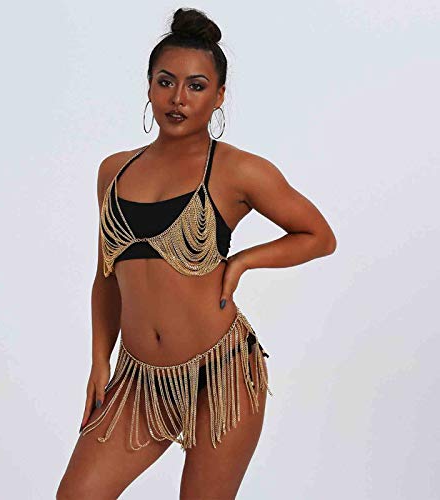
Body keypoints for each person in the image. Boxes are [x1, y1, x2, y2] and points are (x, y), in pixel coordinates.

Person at [57, 7, 337, 499]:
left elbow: (318, 235)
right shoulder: (113, 172)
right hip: (138, 381)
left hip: (222, 375)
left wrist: (242, 261)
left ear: (219, 95)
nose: (178, 98)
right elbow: (107, 276)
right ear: (148, 86)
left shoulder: (238, 171)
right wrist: (100, 361)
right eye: (165, 82)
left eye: (197, 86)